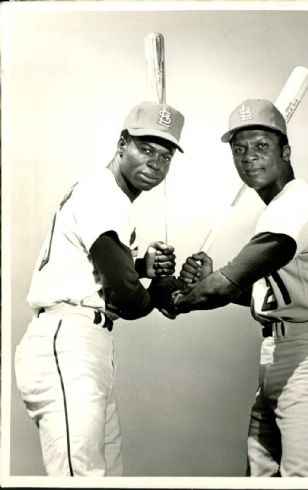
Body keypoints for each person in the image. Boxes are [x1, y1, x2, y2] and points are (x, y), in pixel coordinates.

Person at [168, 99, 308, 476]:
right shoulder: (279, 209)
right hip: (275, 354)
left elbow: (225, 286)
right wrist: (213, 278)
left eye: (261, 146)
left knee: (305, 483)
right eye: (240, 149)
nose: (249, 157)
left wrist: (179, 298)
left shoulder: (299, 203)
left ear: (286, 152)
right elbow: (261, 295)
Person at [14, 101, 185, 476]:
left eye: (166, 155)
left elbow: (100, 268)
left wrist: (142, 267)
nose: (156, 162)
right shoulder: (102, 194)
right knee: (80, 478)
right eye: (146, 148)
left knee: (103, 478)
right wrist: (158, 290)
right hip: (68, 339)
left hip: (87, 344)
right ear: (122, 143)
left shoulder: (106, 196)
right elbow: (124, 296)